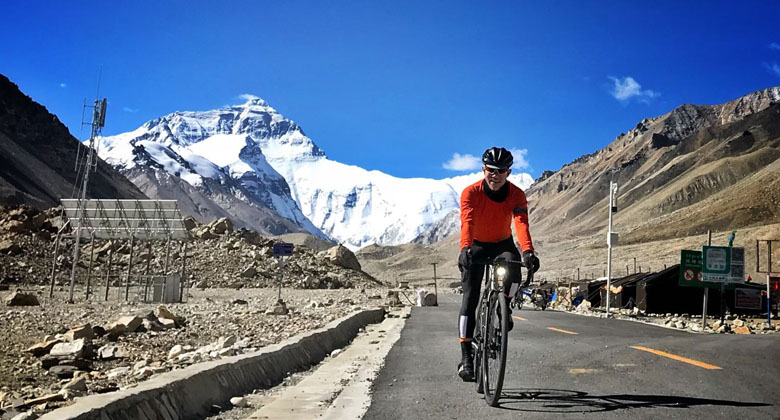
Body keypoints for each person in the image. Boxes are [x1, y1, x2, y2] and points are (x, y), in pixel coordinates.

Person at [456, 146, 540, 382]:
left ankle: (505, 306)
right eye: (490, 170)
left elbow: (521, 223)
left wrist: (527, 252)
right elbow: (467, 222)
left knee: (514, 275)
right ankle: (466, 358)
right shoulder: (470, 193)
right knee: (470, 298)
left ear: (508, 172)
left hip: (503, 244)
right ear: (483, 169)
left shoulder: (516, 194)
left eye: (500, 170)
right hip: (477, 245)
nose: (495, 175)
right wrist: (464, 248)